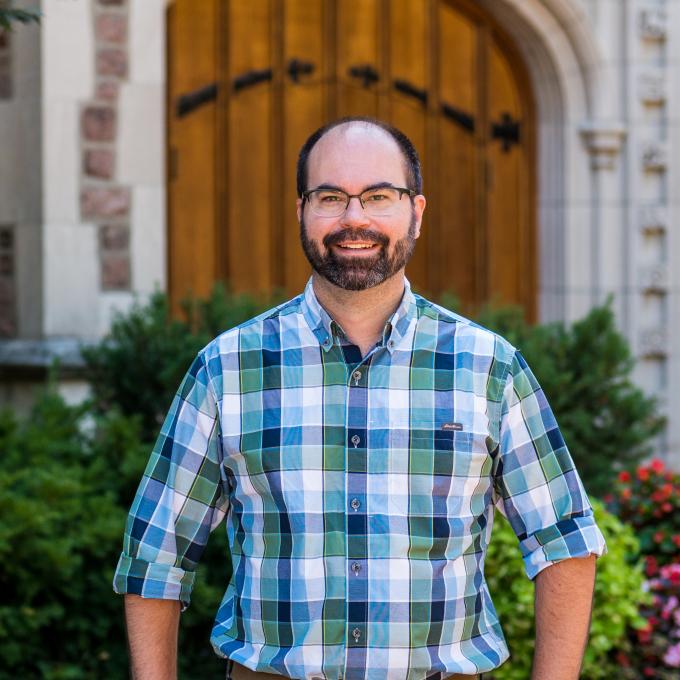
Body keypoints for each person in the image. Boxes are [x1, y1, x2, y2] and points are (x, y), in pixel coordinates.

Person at [113, 117, 606, 680]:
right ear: (300, 210)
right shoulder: (228, 368)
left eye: (378, 196)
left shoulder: (489, 368)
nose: (354, 218)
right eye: (330, 197)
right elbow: (157, 555)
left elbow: (564, 543)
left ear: (416, 211)